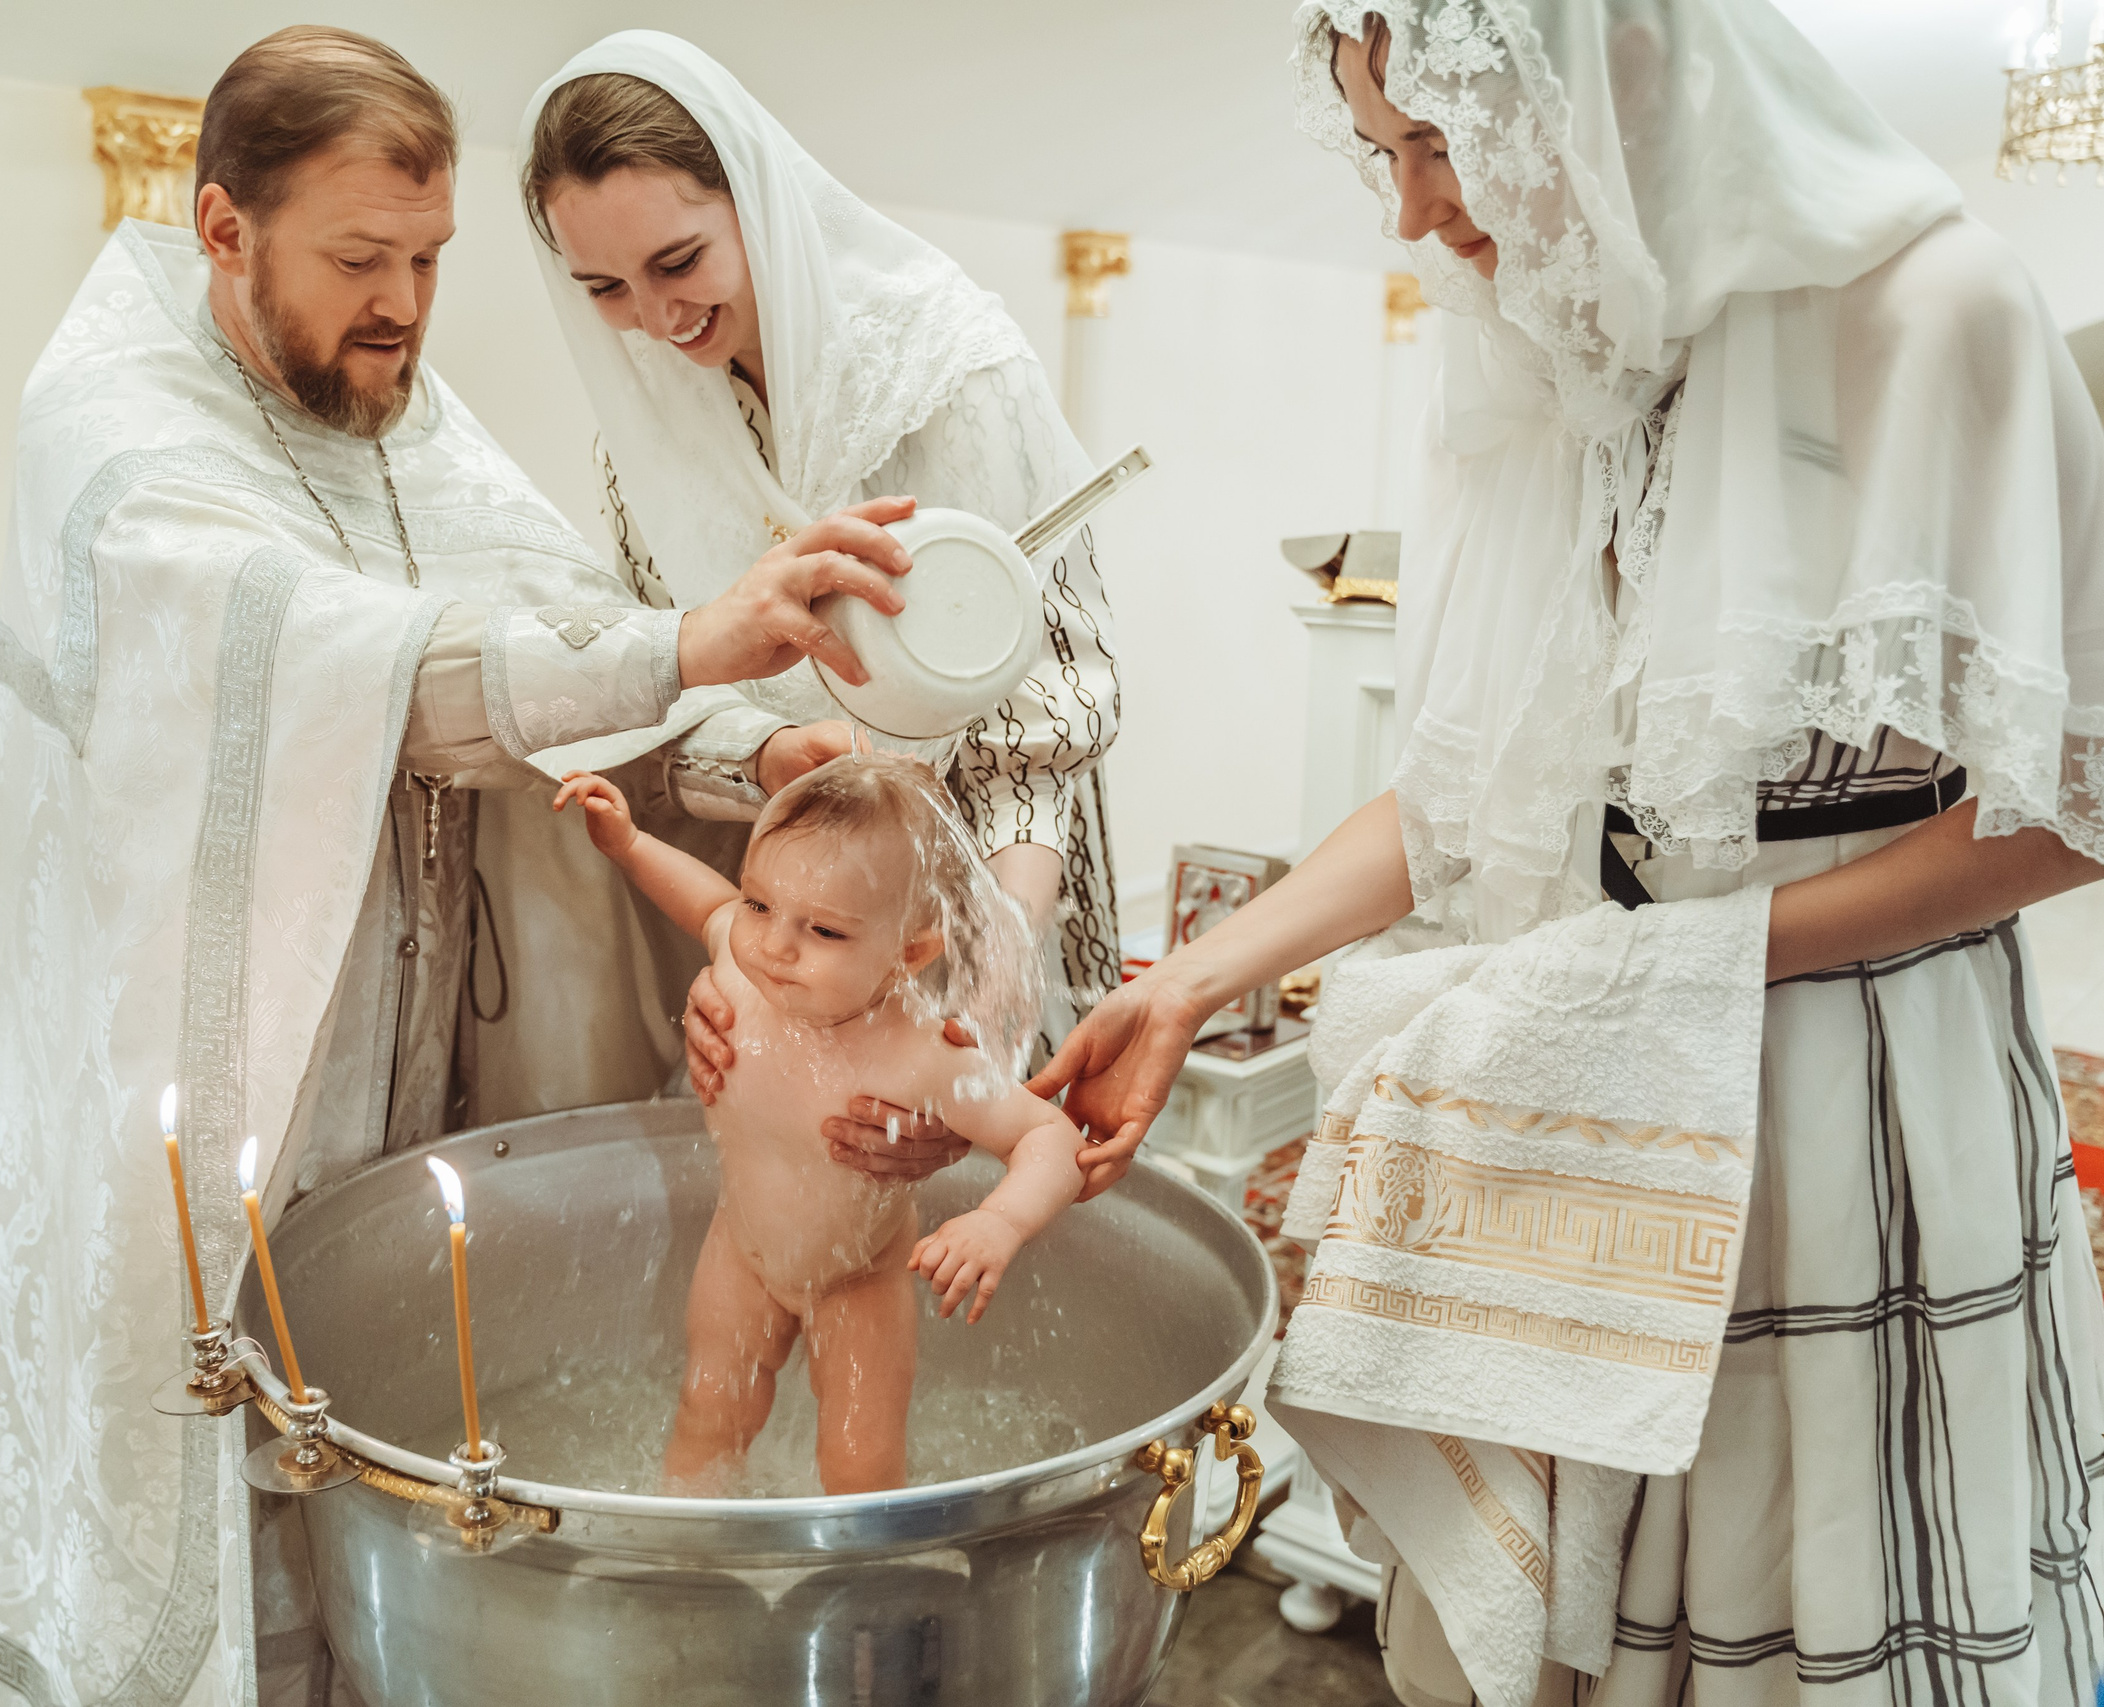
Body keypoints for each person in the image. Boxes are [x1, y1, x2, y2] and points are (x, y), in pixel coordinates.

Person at [1034, 0, 2104, 1699]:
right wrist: (1193, 979)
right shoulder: (1534, 354)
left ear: (1608, 69)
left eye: (1444, 139)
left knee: (1820, 1573)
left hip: (1857, 1087)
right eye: (1382, 153)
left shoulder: (1935, 310)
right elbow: (1462, 791)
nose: (1412, 212)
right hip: (1609, 1087)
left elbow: (2078, 802)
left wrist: (1695, 955)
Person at [0, 27, 927, 1706]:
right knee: (229, 1484)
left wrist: (740, 753)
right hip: (232, 1084)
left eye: (429, 258)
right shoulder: (121, 442)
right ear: (222, 226)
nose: (403, 303)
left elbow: (556, 636)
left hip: (428, 1062)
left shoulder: (404, 411)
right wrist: (692, 646)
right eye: (359, 258)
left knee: (404, 1481)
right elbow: (386, 675)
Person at [518, 31, 1125, 1088]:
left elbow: (1048, 698)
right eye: (605, 288)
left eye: (678, 262)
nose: (656, 321)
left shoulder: (951, 375)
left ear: (756, 201)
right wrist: (766, 751)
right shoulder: (643, 436)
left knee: (985, 1161)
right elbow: (665, 670)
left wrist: (991, 964)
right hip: (792, 918)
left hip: (991, 886)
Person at [554, 754, 1085, 1493]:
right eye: (761, 904)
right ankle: (683, 1539)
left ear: (909, 953)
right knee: (708, 1416)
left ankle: (874, 1562)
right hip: (740, 1255)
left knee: (859, 1461)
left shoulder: (922, 1056)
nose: (775, 945)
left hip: (858, 1279)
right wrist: (630, 843)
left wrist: (999, 1223)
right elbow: (708, 907)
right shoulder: (738, 976)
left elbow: (1051, 1138)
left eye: (825, 931)